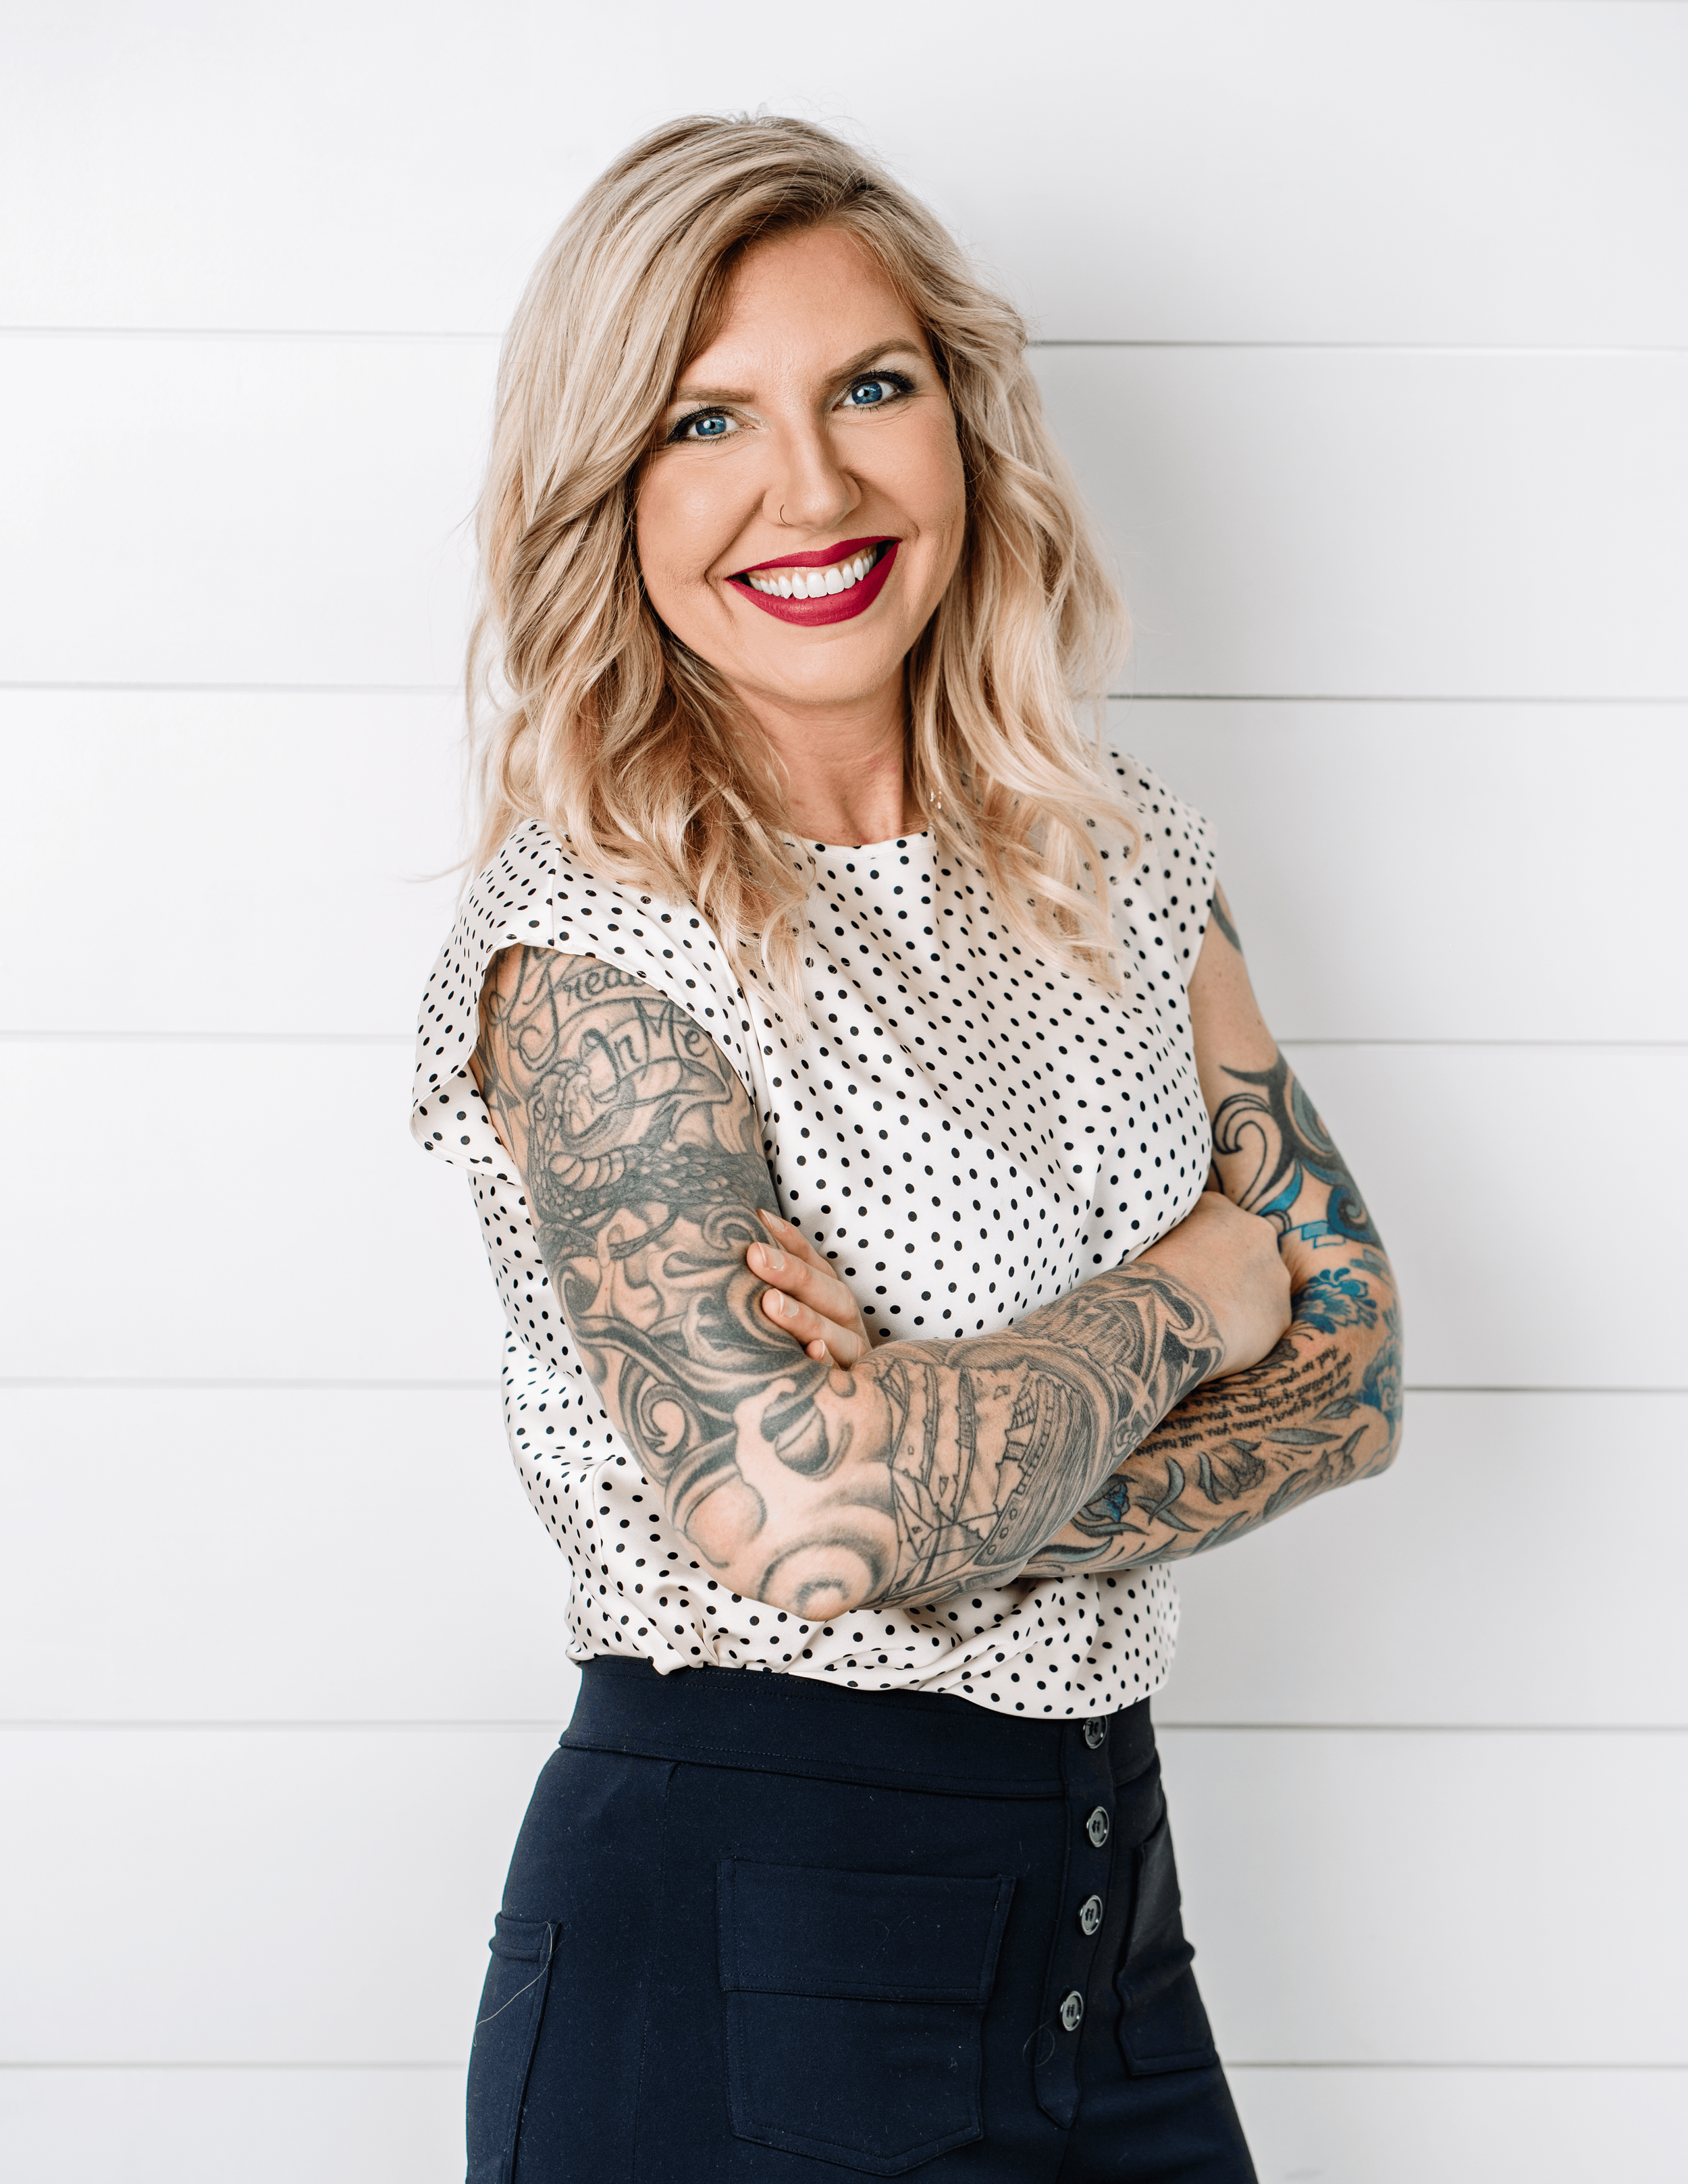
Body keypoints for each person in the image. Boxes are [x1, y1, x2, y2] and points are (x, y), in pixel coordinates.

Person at [412, 112, 1402, 2184]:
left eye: (872, 386)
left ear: (965, 417)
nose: (815, 487)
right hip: (741, 1938)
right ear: (607, 490)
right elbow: (798, 1530)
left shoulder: (1107, 851)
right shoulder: (595, 940)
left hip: (1107, 1926)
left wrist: (923, 1471)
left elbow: (1356, 1378)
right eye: (705, 420)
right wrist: (1192, 1290)